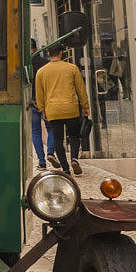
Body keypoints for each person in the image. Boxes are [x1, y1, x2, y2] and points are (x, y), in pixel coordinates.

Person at [34, 47, 90, 176]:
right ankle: (74, 159)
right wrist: (85, 106)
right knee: (74, 135)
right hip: (71, 108)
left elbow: (39, 94)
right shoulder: (72, 68)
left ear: (48, 54)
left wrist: (43, 110)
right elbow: (80, 89)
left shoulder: (41, 72)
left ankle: (65, 169)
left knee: (58, 139)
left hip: (53, 110)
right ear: (61, 53)